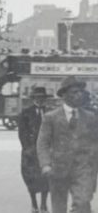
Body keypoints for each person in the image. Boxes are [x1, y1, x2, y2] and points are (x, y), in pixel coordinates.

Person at [37, 76, 98, 213]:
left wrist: (92, 163)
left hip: (83, 169)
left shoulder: (90, 117)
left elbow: (95, 141)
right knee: (59, 207)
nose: (79, 95)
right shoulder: (51, 117)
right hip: (57, 169)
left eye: (81, 92)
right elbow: (43, 143)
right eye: (75, 92)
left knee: (83, 203)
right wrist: (45, 164)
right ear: (64, 95)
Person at [19, 87, 50, 213]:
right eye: (37, 97)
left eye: (42, 97)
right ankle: (34, 204)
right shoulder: (26, 113)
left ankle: (43, 204)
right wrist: (27, 148)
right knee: (30, 178)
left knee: (46, 178)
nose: (40, 99)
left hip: (47, 151)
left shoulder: (50, 113)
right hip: (30, 152)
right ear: (33, 98)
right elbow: (22, 133)